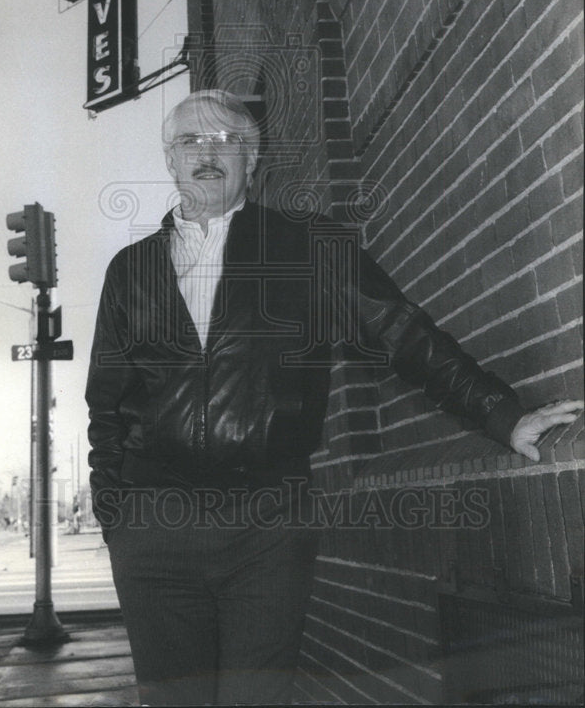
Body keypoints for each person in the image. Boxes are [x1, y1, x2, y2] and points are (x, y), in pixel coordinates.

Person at [86, 89, 581, 706]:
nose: (207, 153)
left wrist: (501, 415)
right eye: (191, 140)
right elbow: (106, 405)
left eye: (226, 140)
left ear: (252, 158)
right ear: (170, 159)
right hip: (155, 528)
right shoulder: (130, 271)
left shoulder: (309, 246)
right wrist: (118, 518)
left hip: (266, 528)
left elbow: (402, 333)